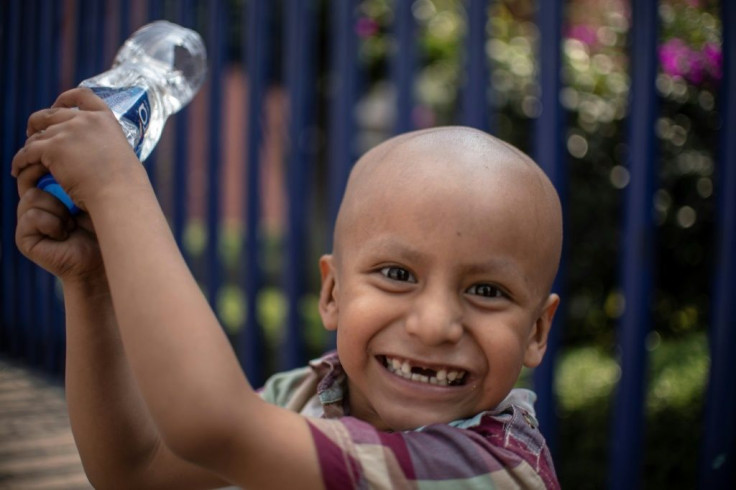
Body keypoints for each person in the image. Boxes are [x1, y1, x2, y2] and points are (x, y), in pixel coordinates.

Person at [12, 87, 562, 489]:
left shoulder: (488, 465)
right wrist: (92, 284)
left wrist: (116, 188)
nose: (435, 324)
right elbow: (135, 469)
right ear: (332, 294)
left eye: (487, 291)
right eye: (397, 275)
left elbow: (212, 424)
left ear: (537, 331)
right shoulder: (307, 395)